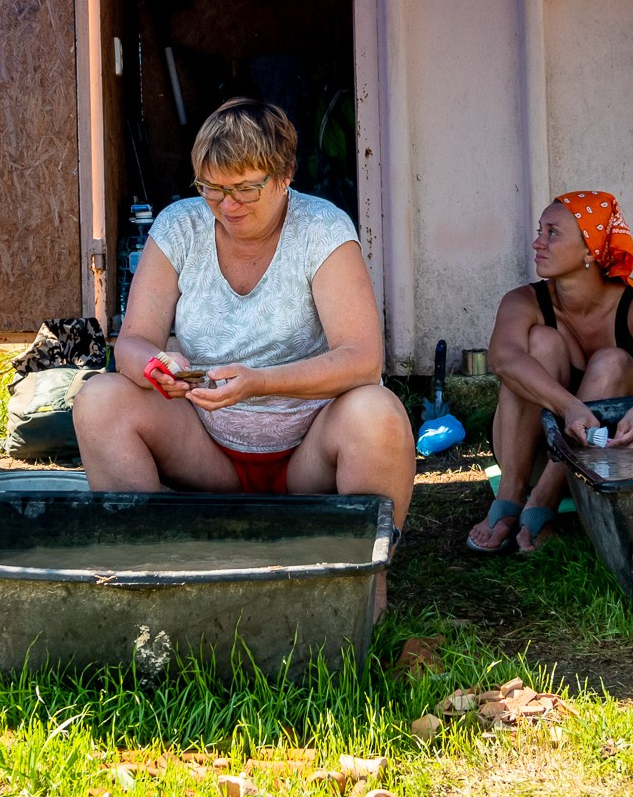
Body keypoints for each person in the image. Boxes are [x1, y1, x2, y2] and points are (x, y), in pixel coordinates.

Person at [72, 98, 414, 557]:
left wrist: (261, 383)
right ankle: (147, 563)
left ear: (285, 174)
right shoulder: (179, 226)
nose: (226, 204)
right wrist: (156, 364)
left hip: (308, 454)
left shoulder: (322, 228)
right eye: (211, 188)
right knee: (99, 399)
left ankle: (360, 584)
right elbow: (132, 341)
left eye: (245, 189)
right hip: (205, 449)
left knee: (379, 414)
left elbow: (362, 359)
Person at [467, 191, 633, 554]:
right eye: (540, 231)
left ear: (590, 250)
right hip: (533, 455)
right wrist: (568, 407)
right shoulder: (523, 300)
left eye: (553, 233)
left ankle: (545, 498)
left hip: (610, 455)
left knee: (611, 361)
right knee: (539, 344)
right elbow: (504, 359)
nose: (538, 242)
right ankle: (513, 492)